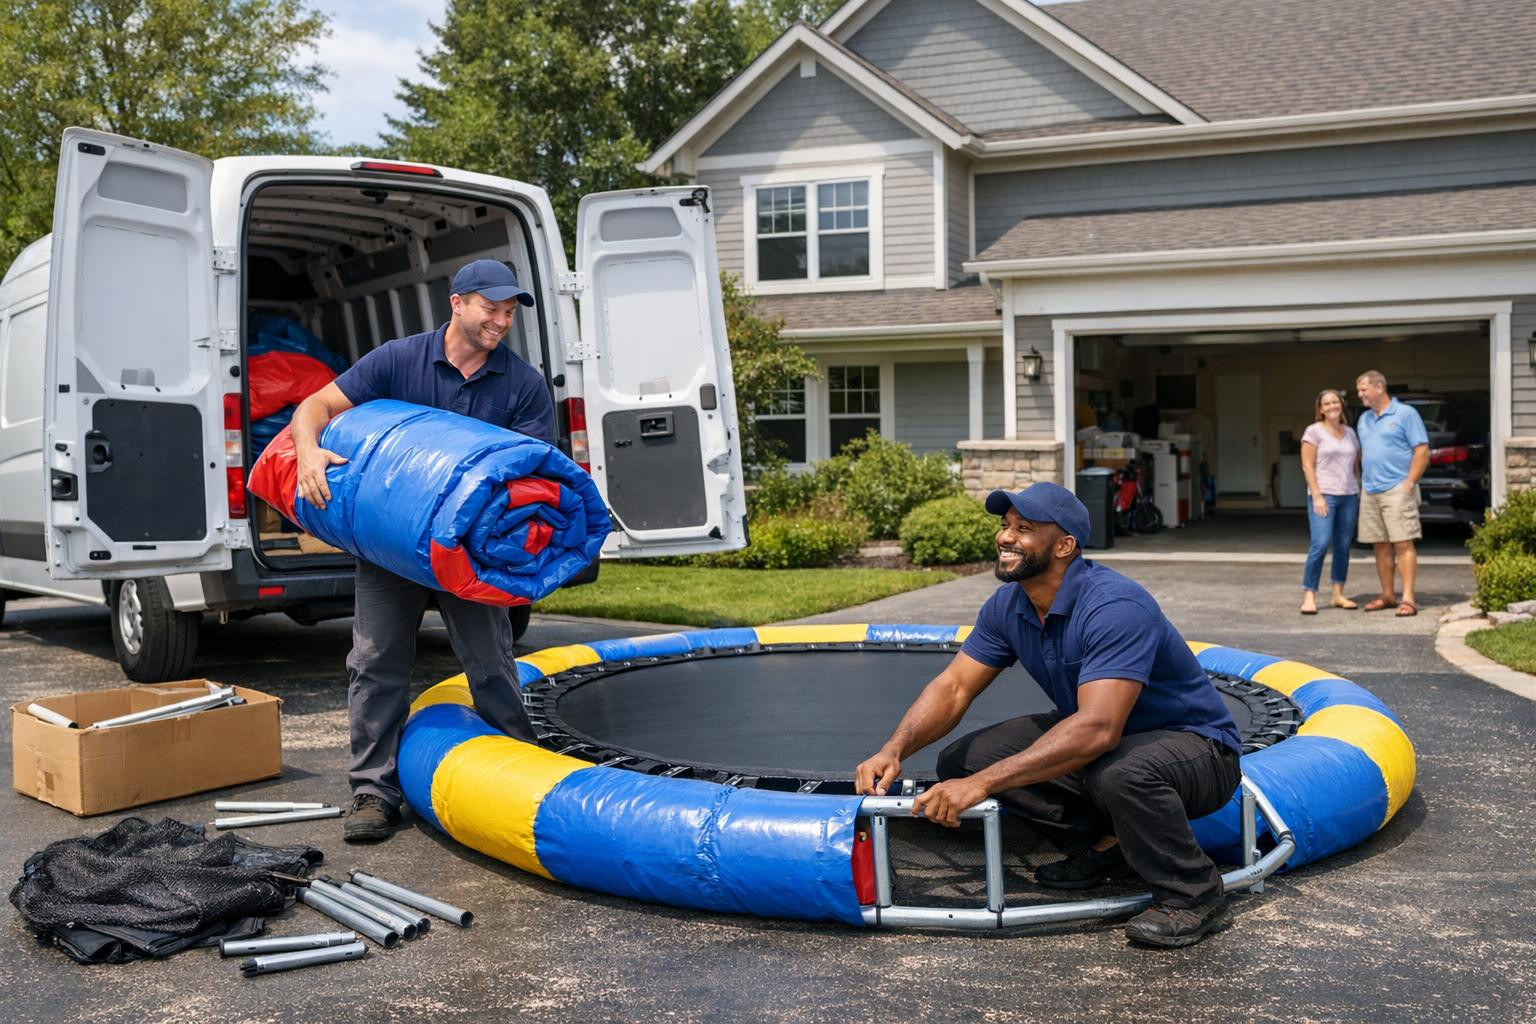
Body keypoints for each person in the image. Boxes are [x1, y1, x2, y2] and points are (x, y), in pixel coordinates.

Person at [854, 483, 1243, 948]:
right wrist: (892, 750)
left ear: (1064, 546)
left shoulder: (1114, 606)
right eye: (1004, 526)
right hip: (1107, 749)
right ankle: (1112, 845)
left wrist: (981, 787)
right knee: (964, 760)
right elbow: (953, 688)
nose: (1006, 537)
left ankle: (1194, 893)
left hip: (1197, 751)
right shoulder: (1010, 604)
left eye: (1024, 529)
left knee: (1120, 772)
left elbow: (1098, 729)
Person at [290, 259, 556, 843]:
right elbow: (314, 407)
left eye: (510, 312)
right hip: (392, 545)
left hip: (470, 551)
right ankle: (373, 792)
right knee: (376, 661)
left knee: (490, 661)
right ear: (458, 303)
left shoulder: (522, 384)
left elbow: (536, 473)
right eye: (492, 308)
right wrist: (308, 452)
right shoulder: (399, 360)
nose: (501, 322)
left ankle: (520, 773)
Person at [1354, 370, 1429, 617]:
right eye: (1358, 391)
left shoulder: (1406, 414)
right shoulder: (1363, 419)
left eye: (1363, 389)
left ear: (1379, 388)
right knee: (1380, 545)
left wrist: (1409, 483)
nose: (1360, 394)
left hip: (1397, 487)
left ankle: (1408, 598)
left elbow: (1421, 450)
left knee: (1403, 543)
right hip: (1371, 489)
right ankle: (1387, 595)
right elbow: (1364, 453)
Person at [1298, 389, 1361, 615]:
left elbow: (1355, 465)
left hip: (1349, 495)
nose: (1332, 406)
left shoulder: (1351, 433)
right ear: (1320, 409)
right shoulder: (1313, 432)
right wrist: (1316, 494)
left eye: (1336, 402)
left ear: (1341, 405)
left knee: (1343, 546)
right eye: (1327, 403)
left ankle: (1337, 593)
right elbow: (1307, 465)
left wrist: (1359, 488)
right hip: (1324, 495)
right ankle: (1309, 595)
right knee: (1321, 543)